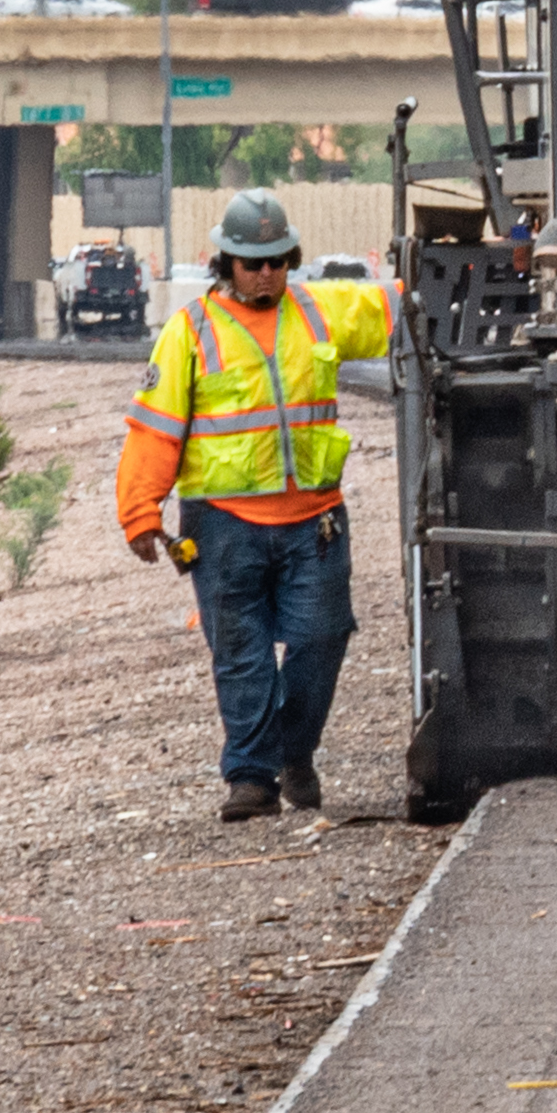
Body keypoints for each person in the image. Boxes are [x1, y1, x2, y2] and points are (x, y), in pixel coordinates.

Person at [121, 189, 391, 821]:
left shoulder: (320, 311)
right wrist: (140, 512)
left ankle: (292, 752)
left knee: (322, 638)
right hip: (222, 527)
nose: (266, 273)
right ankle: (251, 778)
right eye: (252, 263)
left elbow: (401, 308)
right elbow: (155, 428)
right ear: (227, 264)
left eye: (276, 261)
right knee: (242, 656)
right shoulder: (190, 332)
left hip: (314, 520)